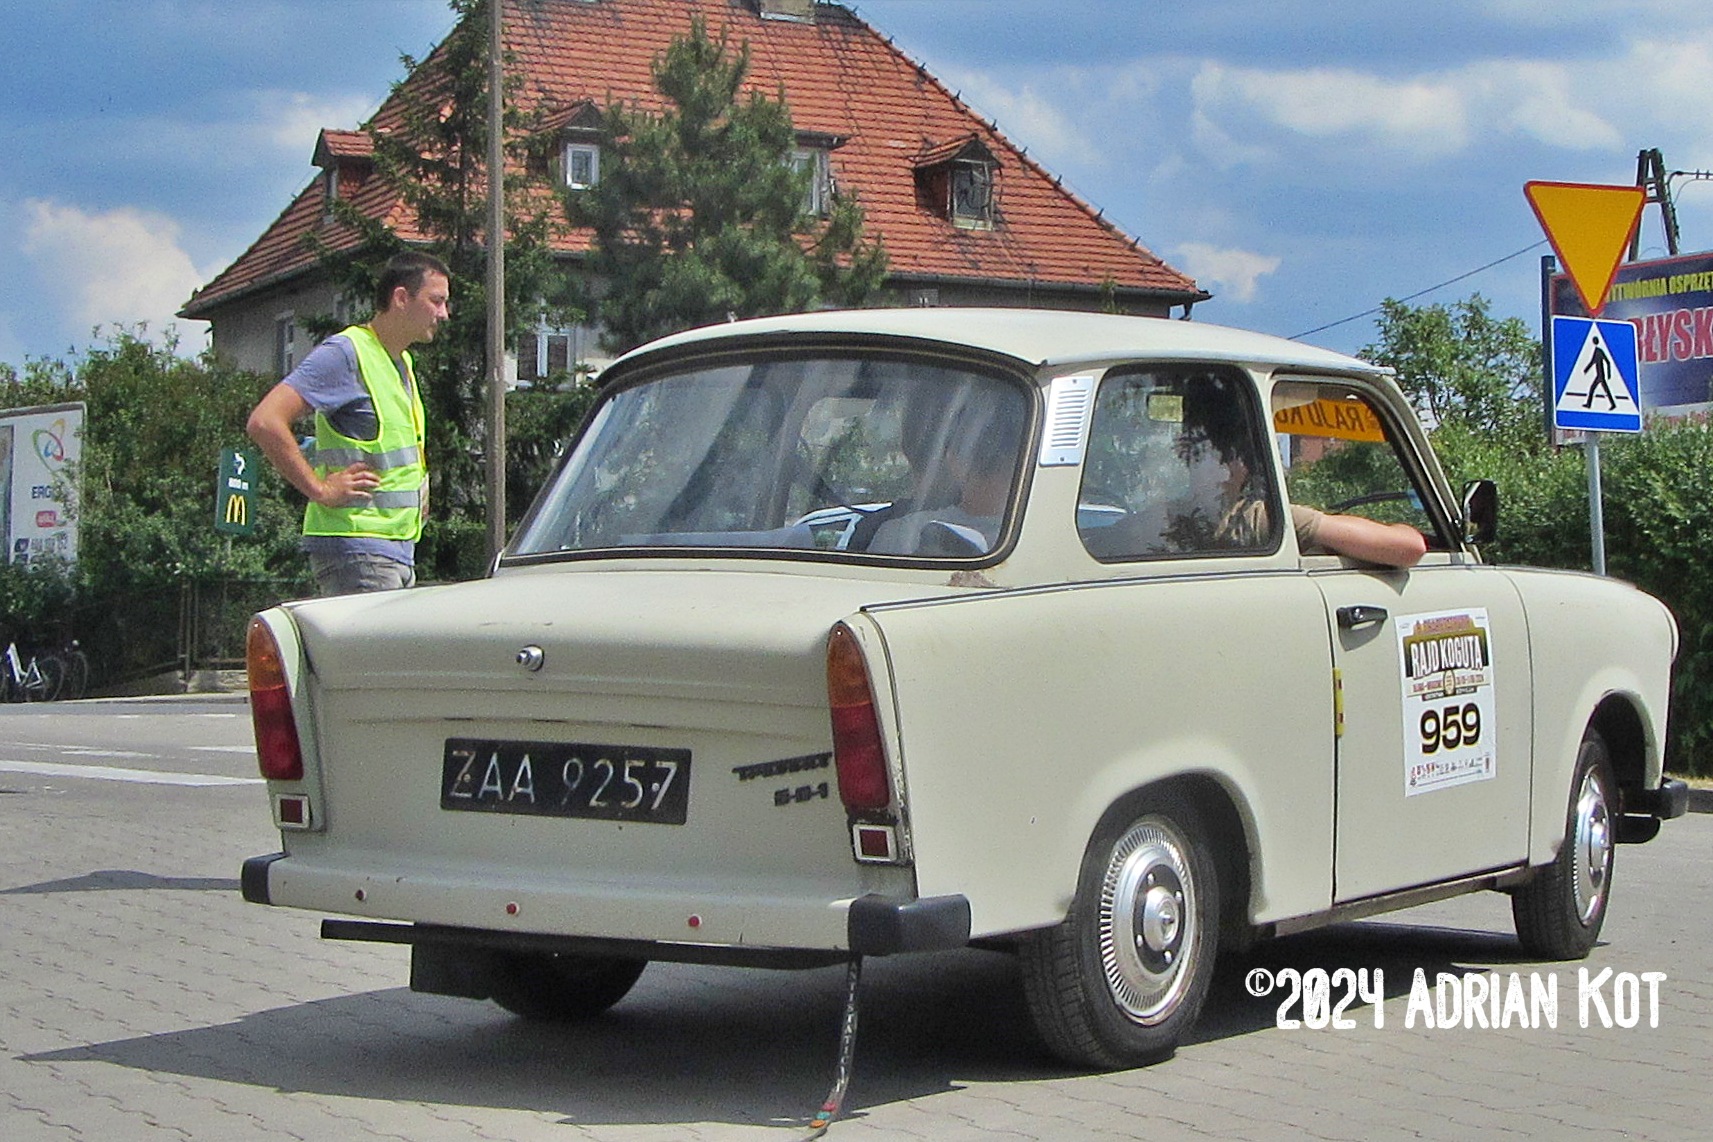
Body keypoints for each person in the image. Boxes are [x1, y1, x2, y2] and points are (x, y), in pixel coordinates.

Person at [245, 252, 450, 595]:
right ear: (401, 298)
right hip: (358, 546)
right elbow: (265, 421)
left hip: (392, 547)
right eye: (437, 301)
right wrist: (320, 489)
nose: (444, 314)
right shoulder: (346, 353)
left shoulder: (402, 363)